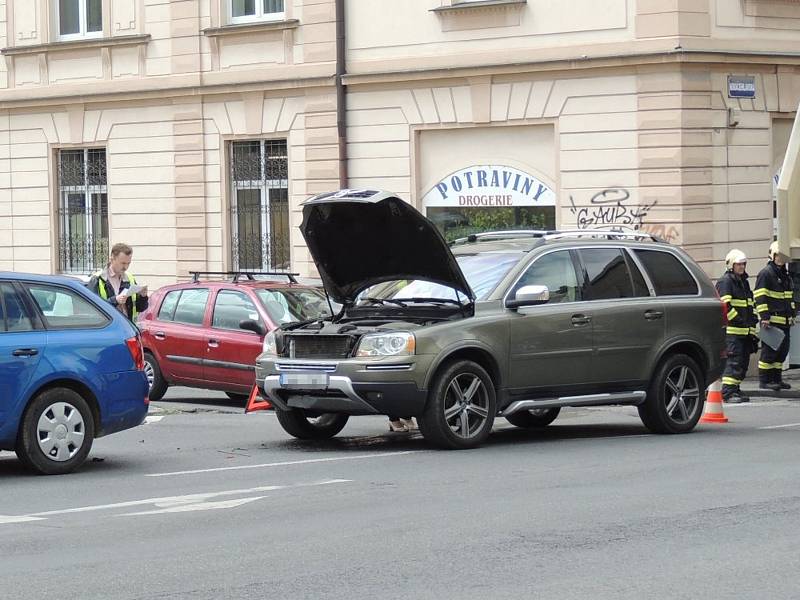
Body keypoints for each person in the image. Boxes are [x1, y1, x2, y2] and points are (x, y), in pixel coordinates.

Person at [716, 249, 757, 403]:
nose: (742, 267)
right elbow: (724, 306)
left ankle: (735, 389)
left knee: (742, 363)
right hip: (732, 332)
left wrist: (752, 329)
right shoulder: (726, 281)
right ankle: (727, 392)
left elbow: (749, 306)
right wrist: (739, 320)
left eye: (743, 264)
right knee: (733, 362)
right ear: (731, 265)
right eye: (739, 264)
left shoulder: (743, 282)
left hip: (744, 331)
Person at [754, 241, 796, 391]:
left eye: (783, 256)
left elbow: (788, 297)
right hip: (771, 321)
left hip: (784, 321)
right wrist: (764, 316)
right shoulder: (766, 273)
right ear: (772, 255)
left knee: (782, 351)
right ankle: (765, 380)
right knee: (769, 352)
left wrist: (791, 315)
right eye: (778, 255)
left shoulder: (785, 275)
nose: (781, 258)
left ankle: (776, 379)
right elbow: (760, 296)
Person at [87, 243, 149, 322]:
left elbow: (140, 308)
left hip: (127, 328)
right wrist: (115, 300)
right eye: (123, 263)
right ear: (112, 259)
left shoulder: (130, 278)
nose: (126, 267)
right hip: (108, 329)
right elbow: (90, 309)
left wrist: (143, 297)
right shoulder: (97, 279)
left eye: (128, 263)